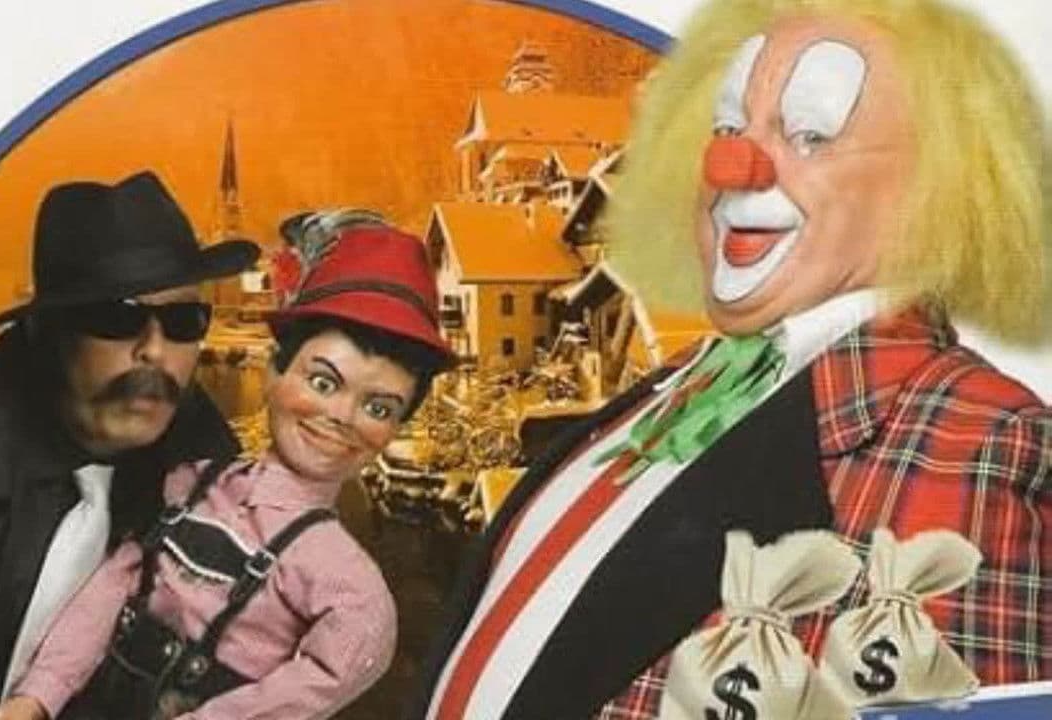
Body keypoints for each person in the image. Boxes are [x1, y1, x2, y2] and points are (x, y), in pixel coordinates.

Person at [409, 1, 1052, 718]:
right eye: (726, 128)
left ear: (937, 188)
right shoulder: (681, 385)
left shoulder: (982, 443)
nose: (731, 165)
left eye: (810, 135)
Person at [0, 223, 454, 719]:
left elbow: (300, 695)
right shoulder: (191, 482)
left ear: (396, 428)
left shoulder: (351, 590)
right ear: (273, 373)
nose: (341, 417)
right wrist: (37, 698)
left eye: (379, 408)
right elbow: (113, 587)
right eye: (323, 383)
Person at [0, 170, 259, 719]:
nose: (155, 351)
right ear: (47, 330)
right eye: (117, 317)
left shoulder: (209, 469)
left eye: (183, 321)